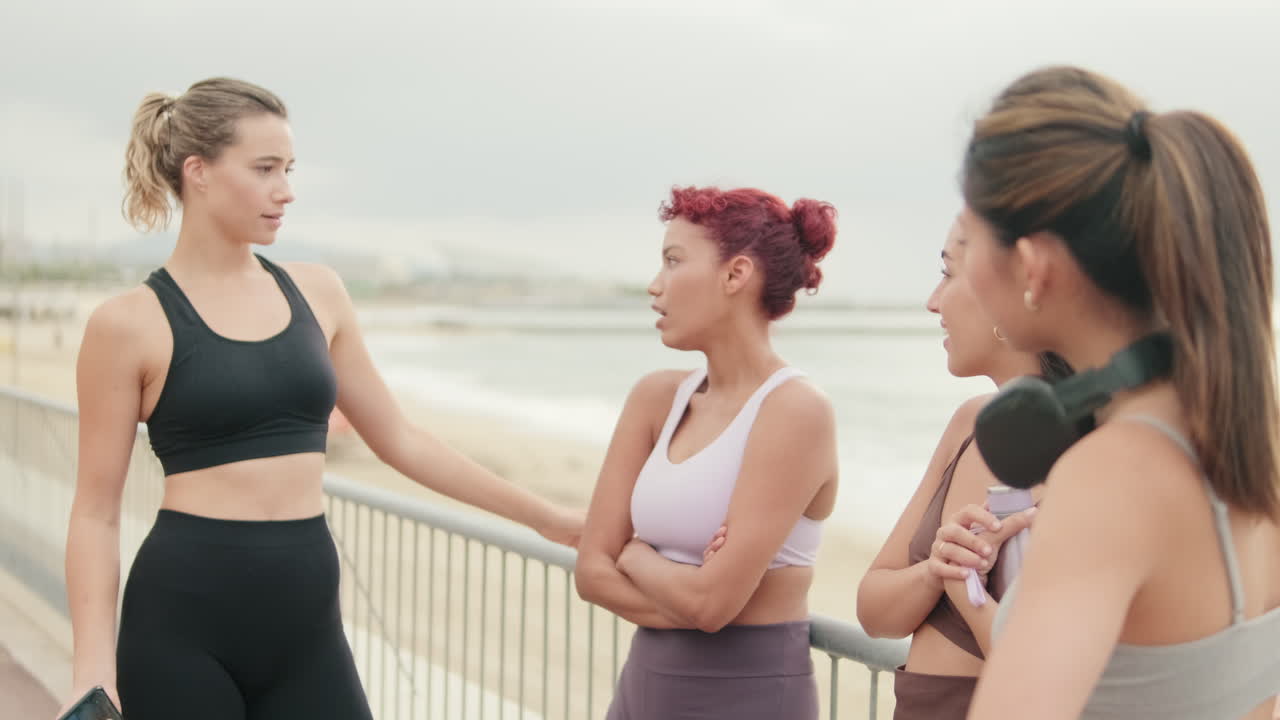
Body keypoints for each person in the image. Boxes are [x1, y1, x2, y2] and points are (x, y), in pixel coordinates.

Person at [62, 77, 582, 720]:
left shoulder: (320, 293)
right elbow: (95, 513)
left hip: (308, 630)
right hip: (181, 628)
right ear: (198, 172)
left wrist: (549, 519)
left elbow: (401, 439)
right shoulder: (128, 323)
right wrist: (93, 672)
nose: (287, 190)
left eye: (289, 168)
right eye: (265, 169)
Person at [958, 66, 1280, 720]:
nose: (961, 271)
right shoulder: (1252, 438)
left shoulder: (1110, 479)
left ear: (1032, 266)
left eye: (967, 241)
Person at [574, 186, 838, 719]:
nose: (654, 286)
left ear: (736, 275)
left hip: (749, 695)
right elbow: (590, 573)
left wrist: (635, 554)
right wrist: (686, 591)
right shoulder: (655, 398)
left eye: (673, 262)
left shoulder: (794, 411)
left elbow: (710, 606)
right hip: (644, 687)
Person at [856, 217, 1063, 719]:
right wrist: (938, 569)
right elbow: (873, 608)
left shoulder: (1093, 453)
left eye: (948, 274)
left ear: (1014, 288)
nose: (933, 301)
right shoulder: (970, 422)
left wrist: (968, 599)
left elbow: (1059, 678)